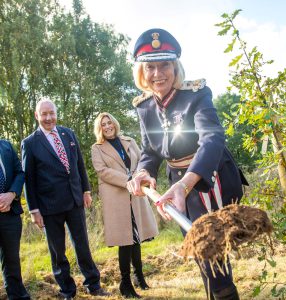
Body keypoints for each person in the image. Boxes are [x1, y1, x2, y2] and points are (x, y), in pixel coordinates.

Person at [127, 28, 249, 300]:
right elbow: (150, 148)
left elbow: (213, 139)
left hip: (209, 179)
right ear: (141, 73)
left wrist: (186, 183)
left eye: (165, 65)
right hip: (178, 187)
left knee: (213, 260)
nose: (158, 73)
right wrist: (143, 171)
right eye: (150, 67)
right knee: (202, 256)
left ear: (175, 66)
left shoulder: (197, 94)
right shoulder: (144, 106)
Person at [21, 99, 111, 300]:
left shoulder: (68, 133)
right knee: (58, 252)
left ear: (56, 113)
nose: (48, 118)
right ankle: (67, 291)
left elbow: (79, 164)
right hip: (49, 206)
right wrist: (34, 210)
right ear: (37, 116)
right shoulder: (30, 143)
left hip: (74, 200)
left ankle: (93, 285)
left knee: (83, 245)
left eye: (51, 113)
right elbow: (29, 180)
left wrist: (86, 191)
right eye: (43, 114)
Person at [91, 112, 158, 299]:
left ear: (115, 123)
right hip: (116, 196)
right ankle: (125, 284)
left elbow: (142, 161)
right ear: (100, 128)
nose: (107, 126)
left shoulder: (129, 140)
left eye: (109, 122)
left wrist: (137, 177)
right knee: (125, 241)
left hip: (135, 194)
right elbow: (102, 171)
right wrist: (129, 179)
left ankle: (139, 277)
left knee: (137, 239)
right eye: (103, 124)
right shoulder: (97, 148)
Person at [0, 139, 30, 300]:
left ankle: (17, 295)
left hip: (10, 213)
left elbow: (20, 172)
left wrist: (11, 194)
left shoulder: (5, 145)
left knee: (11, 258)